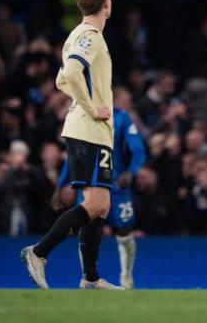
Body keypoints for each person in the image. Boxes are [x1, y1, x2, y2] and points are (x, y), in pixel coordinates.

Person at [21, 0, 122, 290]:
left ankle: (90, 278)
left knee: (100, 205)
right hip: (88, 129)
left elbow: (61, 80)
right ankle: (38, 253)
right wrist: (92, 107)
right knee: (93, 205)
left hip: (95, 131)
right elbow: (74, 71)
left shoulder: (80, 36)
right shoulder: (89, 36)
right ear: (106, 4)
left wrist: (86, 101)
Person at [54, 103, 146, 289]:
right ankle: (88, 277)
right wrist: (60, 184)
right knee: (86, 229)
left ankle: (126, 278)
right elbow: (74, 155)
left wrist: (131, 171)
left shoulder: (121, 116)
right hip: (89, 183)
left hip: (116, 183)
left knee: (124, 230)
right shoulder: (82, 114)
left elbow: (138, 148)